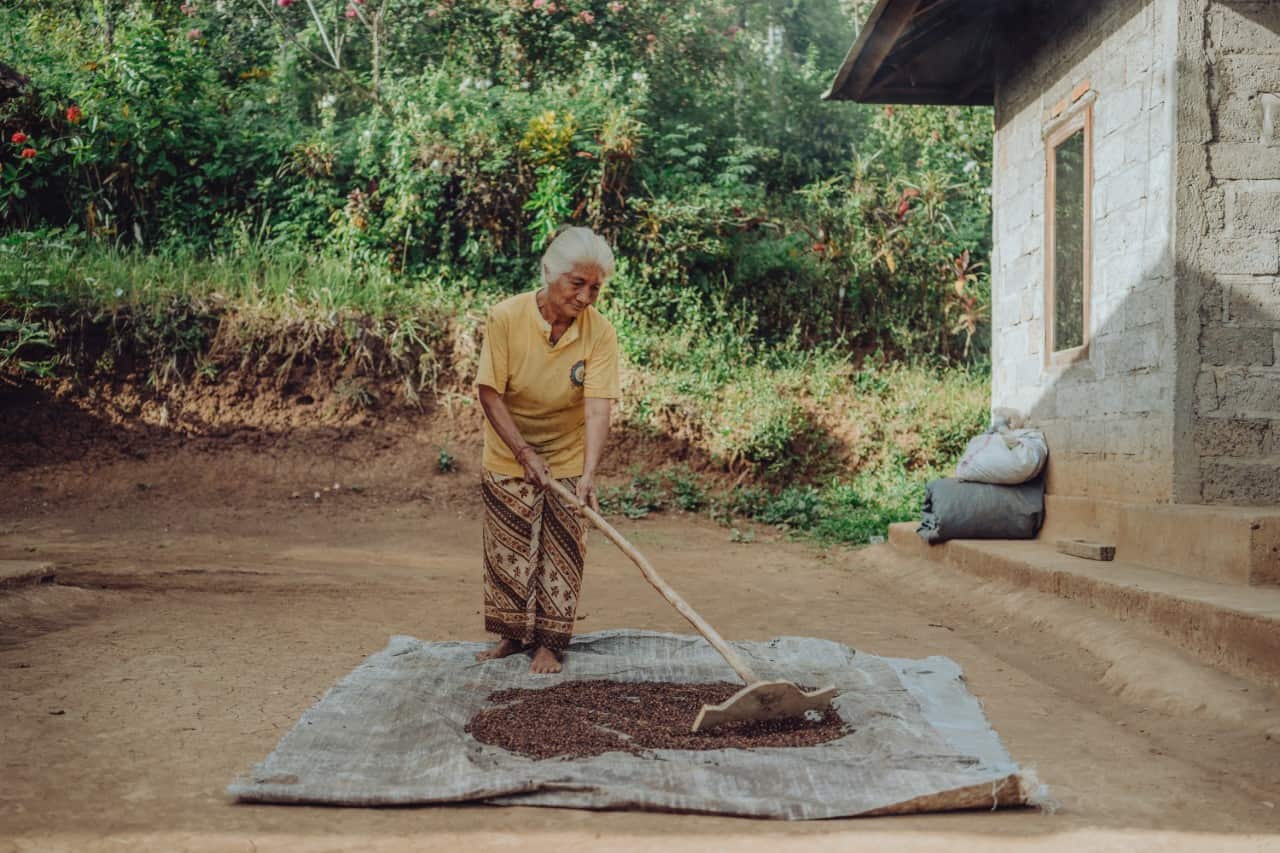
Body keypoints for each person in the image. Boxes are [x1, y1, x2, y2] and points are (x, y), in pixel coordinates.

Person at [473, 226, 621, 674]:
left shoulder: (600, 333)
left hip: (569, 449)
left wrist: (588, 474)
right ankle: (512, 637)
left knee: (563, 547)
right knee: (509, 546)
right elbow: (489, 393)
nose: (585, 297)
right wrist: (523, 455)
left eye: (595, 287)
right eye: (577, 283)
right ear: (548, 272)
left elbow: (597, 410)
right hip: (509, 444)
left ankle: (550, 645)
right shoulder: (506, 318)